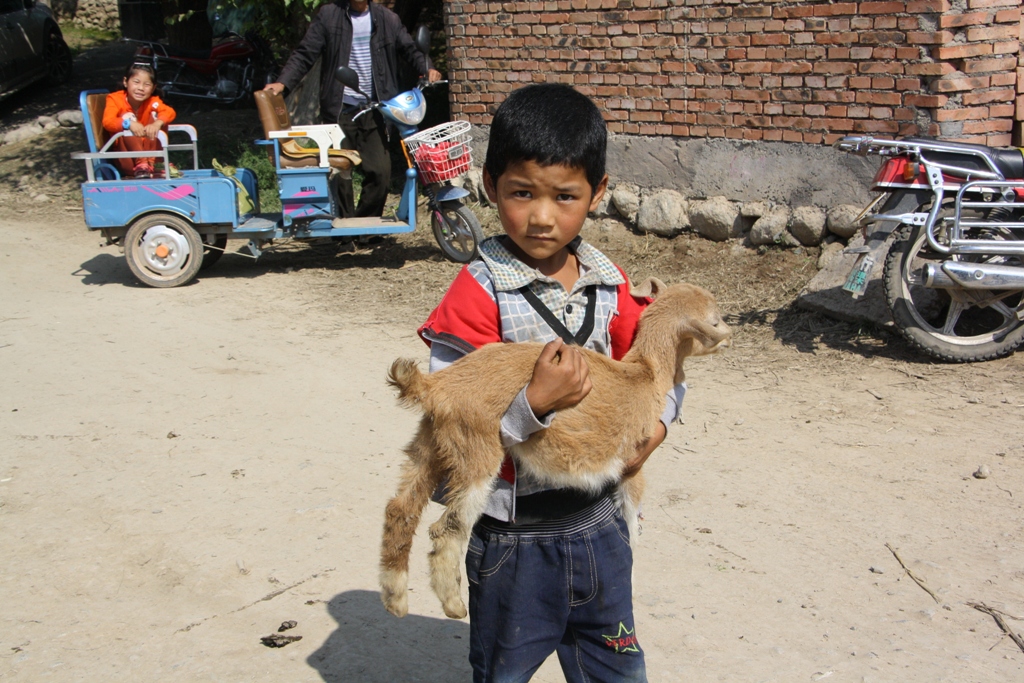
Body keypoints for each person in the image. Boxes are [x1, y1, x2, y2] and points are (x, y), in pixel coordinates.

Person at [417, 83, 686, 683]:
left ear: (597, 193)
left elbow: (658, 371)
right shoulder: (476, 294)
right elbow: (449, 418)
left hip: (601, 525)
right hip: (515, 538)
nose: (542, 216)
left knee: (614, 669)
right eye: (521, 193)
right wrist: (533, 406)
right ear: (490, 186)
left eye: (565, 196)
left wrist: (661, 422)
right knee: (505, 672)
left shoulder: (612, 287)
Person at [263, 0, 440, 218]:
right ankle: (344, 236)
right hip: (340, 108)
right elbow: (304, 53)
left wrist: (427, 67)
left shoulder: (387, 19)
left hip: (374, 108)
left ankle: (365, 227)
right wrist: (283, 83)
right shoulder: (329, 16)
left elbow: (410, 48)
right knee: (339, 173)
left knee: (381, 172)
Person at [101, 61, 175, 179]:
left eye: (147, 85)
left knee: (159, 117)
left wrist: (157, 123)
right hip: (129, 159)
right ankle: (142, 163)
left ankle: (157, 163)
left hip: (151, 156)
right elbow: (108, 122)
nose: (141, 88)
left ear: (153, 88)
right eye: (136, 82)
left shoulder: (152, 101)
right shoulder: (115, 99)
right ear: (126, 82)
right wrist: (128, 124)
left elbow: (169, 112)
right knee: (127, 116)